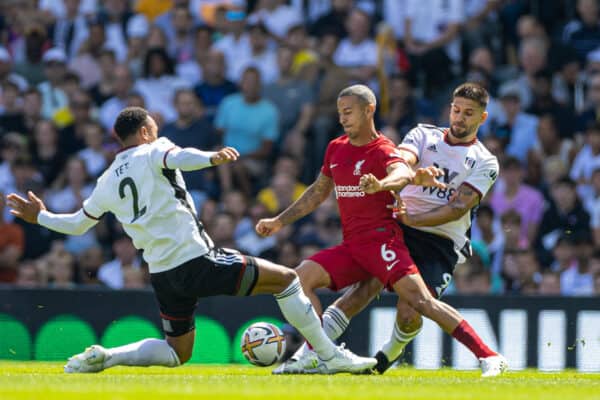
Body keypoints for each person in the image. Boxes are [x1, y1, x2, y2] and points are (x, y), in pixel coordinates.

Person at [6, 106, 376, 375]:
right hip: (197, 260)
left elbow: (75, 225)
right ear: (146, 131)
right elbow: (179, 157)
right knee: (288, 280)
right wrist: (213, 157)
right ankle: (328, 355)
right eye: (155, 127)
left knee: (176, 353)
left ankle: (107, 356)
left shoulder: (105, 181)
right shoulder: (154, 150)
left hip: (163, 276)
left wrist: (40, 216)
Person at [257, 83, 507, 377]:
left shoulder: (485, 161)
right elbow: (401, 164)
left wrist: (409, 210)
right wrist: (411, 177)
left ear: (483, 118)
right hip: (396, 228)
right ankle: (313, 354)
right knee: (358, 292)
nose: (460, 118)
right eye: (456, 110)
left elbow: (457, 208)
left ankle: (399, 350)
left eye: (469, 113)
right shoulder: (424, 134)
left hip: (439, 240)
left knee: (412, 310)